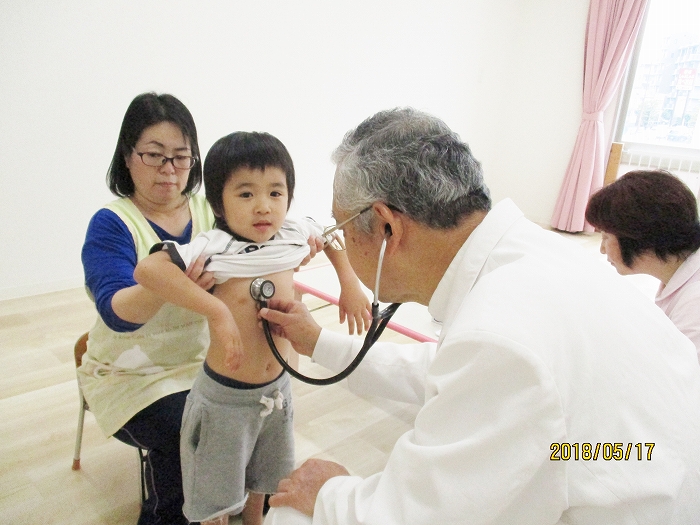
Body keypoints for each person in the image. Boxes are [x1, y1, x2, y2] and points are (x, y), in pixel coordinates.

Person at [257, 108, 700, 525]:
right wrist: (319, 342)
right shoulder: (534, 256)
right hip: (624, 458)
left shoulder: (499, 332)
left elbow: (416, 514)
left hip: (621, 480)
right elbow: (451, 373)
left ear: (388, 226)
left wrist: (329, 493)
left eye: (340, 228)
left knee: (292, 514)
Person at [134, 131, 371, 525]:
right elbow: (149, 269)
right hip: (225, 399)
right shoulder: (213, 245)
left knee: (266, 476)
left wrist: (350, 284)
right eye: (246, 194)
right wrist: (216, 310)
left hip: (277, 392)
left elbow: (331, 236)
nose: (263, 206)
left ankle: (255, 518)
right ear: (218, 204)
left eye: (275, 193)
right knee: (216, 495)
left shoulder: (293, 232)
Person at [78, 92, 216, 525]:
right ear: (128, 156)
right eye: (154, 155)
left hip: (200, 361)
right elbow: (118, 312)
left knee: (250, 406)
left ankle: (228, 501)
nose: (169, 169)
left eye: (181, 157)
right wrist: (171, 279)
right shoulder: (112, 223)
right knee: (184, 428)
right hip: (130, 373)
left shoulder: (212, 210)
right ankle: (164, 515)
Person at [585, 169, 700, 359]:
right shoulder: (677, 272)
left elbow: (681, 371)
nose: (602, 249)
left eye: (606, 237)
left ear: (639, 238)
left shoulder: (694, 300)